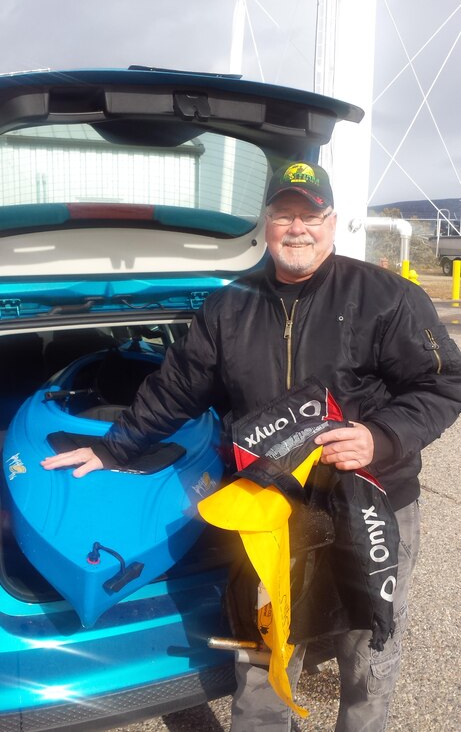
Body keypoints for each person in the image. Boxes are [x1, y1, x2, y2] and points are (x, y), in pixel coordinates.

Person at [42, 161, 461, 731]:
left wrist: (380, 437)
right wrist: (115, 449)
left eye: (310, 215)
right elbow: (177, 389)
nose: (297, 228)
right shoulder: (228, 305)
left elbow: (444, 382)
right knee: (261, 649)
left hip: (371, 502)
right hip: (271, 507)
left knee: (367, 649)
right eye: (284, 215)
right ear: (265, 224)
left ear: (332, 222)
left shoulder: (387, 297)